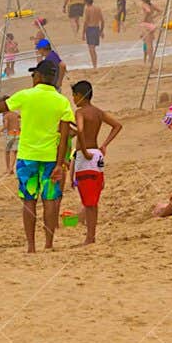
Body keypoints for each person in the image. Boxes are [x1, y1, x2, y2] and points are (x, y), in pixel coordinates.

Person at [0, 60, 75, 252]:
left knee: (29, 200)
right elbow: (65, 135)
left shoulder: (26, 96)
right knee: (50, 200)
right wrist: (60, 164)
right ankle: (49, 244)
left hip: (27, 157)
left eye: (34, 75)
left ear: (39, 77)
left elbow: (0, 107)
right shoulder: (62, 101)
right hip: (51, 158)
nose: (32, 78)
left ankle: (31, 247)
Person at [69, 81, 121, 245]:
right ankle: (90, 235)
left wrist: (83, 151)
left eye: (74, 96)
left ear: (79, 96)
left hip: (86, 157)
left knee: (88, 199)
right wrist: (104, 144)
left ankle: (90, 237)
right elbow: (117, 125)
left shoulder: (80, 112)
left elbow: (81, 131)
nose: (73, 99)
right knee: (92, 197)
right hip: (97, 155)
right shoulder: (98, 112)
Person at [81, 0, 104, 68]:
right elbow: (102, 21)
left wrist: (83, 33)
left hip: (90, 29)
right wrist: (101, 31)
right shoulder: (98, 8)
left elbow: (86, 22)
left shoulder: (87, 9)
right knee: (93, 49)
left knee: (91, 49)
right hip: (97, 28)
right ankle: (95, 65)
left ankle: (94, 65)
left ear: (86, 1)